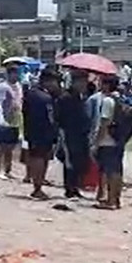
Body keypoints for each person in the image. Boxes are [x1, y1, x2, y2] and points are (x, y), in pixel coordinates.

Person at [92, 77, 132, 209]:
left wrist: (96, 143)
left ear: (106, 85)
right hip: (119, 139)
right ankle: (116, 199)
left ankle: (110, 201)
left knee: (109, 171)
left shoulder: (107, 101)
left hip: (107, 140)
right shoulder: (122, 100)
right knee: (117, 170)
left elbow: (104, 123)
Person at [22, 67, 61, 200]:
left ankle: (37, 185)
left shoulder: (30, 93)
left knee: (36, 157)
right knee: (41, 158)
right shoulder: (45, 98)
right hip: (44, 132)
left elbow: (25, 112)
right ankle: (38, 188)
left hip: (32, 130)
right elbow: (51, 118)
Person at [56, 69, 91, 199]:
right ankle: (69, 189)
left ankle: (75, 187)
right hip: (68, 133)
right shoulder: (65, 98)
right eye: (82, 82)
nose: (84, 85)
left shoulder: (80, 97)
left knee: (79, 161)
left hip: (80, 134)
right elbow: (59, 117)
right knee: (69, 161)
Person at [0, 66, 24, 180]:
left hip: (15, 119)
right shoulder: (3, 87)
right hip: (4, 120)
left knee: (11, 147)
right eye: (14, 73)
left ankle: (8, 170)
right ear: (9, 74)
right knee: (1, 147)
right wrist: (0, 119)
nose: (16, 76)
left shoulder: (18, 86)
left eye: (17, 73)